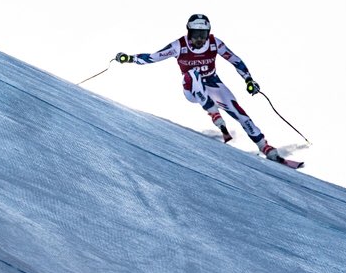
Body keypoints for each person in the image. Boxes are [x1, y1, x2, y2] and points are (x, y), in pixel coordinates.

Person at [116, 14, 282, 162]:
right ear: (189, 32)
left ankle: (265, 146)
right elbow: (153, 57)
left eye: (203, 34)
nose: (200, 39)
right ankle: (213, 112)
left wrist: (249, 80)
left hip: (212, 83)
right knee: (193, 73)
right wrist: (129, 58)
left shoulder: (214, 43)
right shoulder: (179, 46)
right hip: (191, 88)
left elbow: (235, 60)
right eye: (196, 34)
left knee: (238, 111)